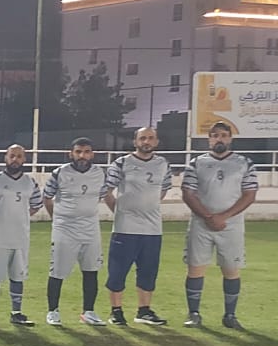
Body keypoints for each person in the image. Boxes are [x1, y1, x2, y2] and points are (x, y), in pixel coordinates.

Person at [181, 120, 259, 329]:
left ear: (230, 138)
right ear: (209, 139)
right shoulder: (196, 163)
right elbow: (188, 193)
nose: (219, 139)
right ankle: (194, 314)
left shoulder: (244, 163)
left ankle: (230, 316)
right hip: (201, 224)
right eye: (215, 135)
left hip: (231, 225)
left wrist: (223, 217)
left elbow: (249, 194)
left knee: (231, 269)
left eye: (223, 135)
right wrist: (208, 217)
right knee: (195, 268)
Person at [102, 127, 173, 325]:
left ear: (156, 142)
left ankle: (144, 311)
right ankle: (116, 312)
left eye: (150, 138)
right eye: (142, 138)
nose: (146, 142)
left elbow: (163, 190)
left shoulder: (163, 164)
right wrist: (119, 211)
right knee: (118, 272)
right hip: (125, 229)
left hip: (152, 230)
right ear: (135, 142)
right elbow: (106, 191)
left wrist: (148, 206)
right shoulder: (122, 163)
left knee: (148, 272)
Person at [43, 137, 108, 326]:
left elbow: (102, 195)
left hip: (90, 229)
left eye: (86, 152)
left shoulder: (99, 173)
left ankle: (89, 312)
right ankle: (53, 311)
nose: (82, 156)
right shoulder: (59, 173)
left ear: (92, 154)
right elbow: (47, 198)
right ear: (71, 154)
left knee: (91, 270)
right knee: (57, 271)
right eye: (78, 152)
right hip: (65, 230)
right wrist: (58, 219)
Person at [0, 144, 41, 327]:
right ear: (5, 158)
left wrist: (21, 217)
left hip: (20, 238)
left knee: (18, 276)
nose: (15, 159)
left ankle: (16, 313)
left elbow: (36, 204)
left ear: (24, 159)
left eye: (19, 156)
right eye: (12, 156)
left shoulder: (30, 182)